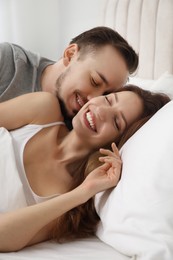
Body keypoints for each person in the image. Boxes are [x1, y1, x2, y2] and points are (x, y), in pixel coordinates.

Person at [0, 85, 170, 252]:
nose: (101, 111)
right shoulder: (43, 109)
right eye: (108, 100)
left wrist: (83, 192)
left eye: (116, 121)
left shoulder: (73, 204)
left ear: (117, 145)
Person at [0, 26, 138, 128]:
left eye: (106, 95)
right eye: (94, 81)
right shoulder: (8, 61)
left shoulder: (83, 126)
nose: (94, 100)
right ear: (70, 55)